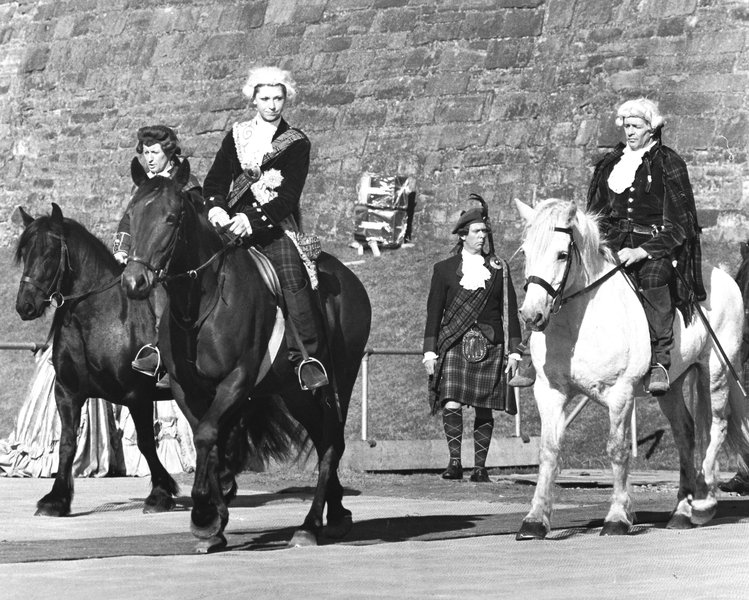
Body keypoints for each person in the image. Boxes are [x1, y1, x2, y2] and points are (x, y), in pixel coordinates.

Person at [202, 66, 328, 390]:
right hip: (230, 222)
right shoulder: (236, 135)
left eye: (278, 98)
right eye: (265, 98)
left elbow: (288, 197)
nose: (272, 105)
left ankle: (307, 359)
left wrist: (253, 220)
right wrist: (216, 207)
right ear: (253, 100)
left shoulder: (297, 143)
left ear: (286, 99)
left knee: (293, 273)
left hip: (273, 226)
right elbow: (216, 180)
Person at [586, 98, 704, 395]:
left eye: (636, 126)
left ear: (651, 129)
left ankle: (660, 361)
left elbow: (682, 225)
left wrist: (642, 251)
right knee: (574, 268)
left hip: (656, 245)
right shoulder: (612, 163)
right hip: (612, 240)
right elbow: (596, 212)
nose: (629, 132)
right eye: (626, 126)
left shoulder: (669, 163)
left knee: (651, 277)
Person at [423, 205, 522, 482]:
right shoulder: (443, 270)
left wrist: (514, 350)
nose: (482, 236)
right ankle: (455, 463)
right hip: (453, 342)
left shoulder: (499, 268)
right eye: (477, 232)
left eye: (484, 232)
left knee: (484, 405)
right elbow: (434, 312)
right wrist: (430, 350)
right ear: (463, 235)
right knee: (451, 401)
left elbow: (509, 309)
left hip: (491, 344)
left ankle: (480, 467)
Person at [112, 125, 202, 387]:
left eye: (154, 152)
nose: (149, 158)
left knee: (160, 284)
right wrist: (122, 248)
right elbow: (129, 219)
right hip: (145, 255)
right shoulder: (142, 186)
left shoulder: (186, 183)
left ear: (169, 153)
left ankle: (161, 351)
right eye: (145, 153)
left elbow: (197, 221)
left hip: (179, 261)